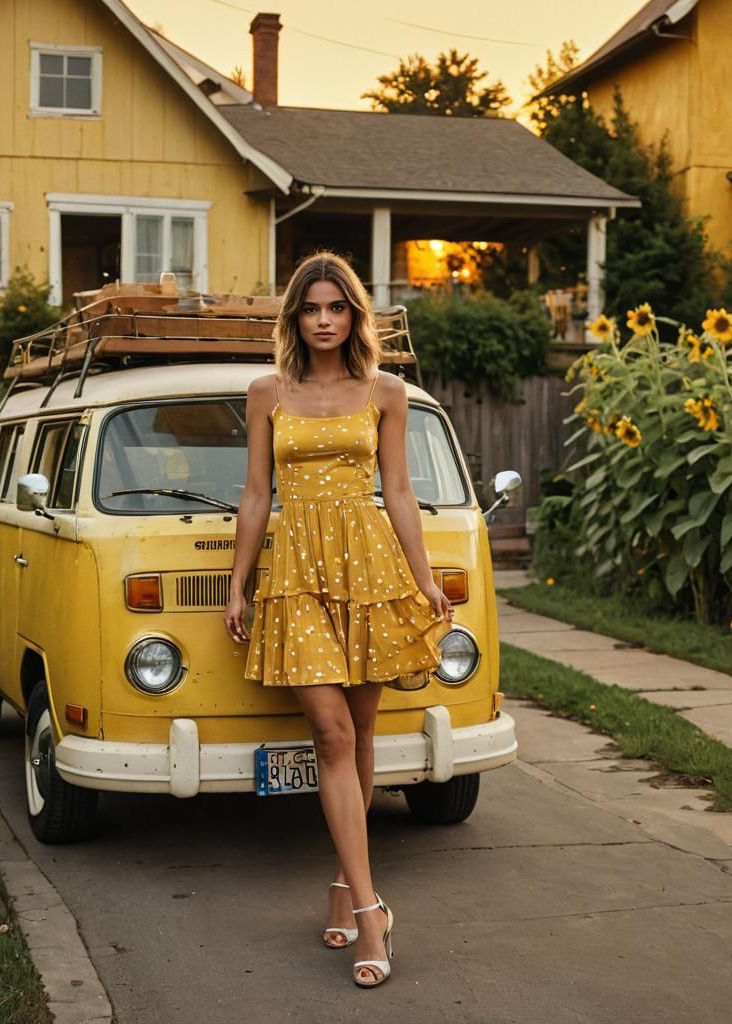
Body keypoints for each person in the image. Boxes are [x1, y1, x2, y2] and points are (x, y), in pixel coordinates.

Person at [223, 251, 452, 988]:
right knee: (331, 733)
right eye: (311, 309)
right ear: (295, 318)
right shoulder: (267, 392)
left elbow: (400, 491)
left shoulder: (386, 391)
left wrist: (424, 580)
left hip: (369, 569)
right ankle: (370, 912)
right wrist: (238, 584)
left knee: (361, 734)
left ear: (355, 315)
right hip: (295, 571)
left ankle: (341, 886)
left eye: (337, 308)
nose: (324, 320)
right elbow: (256, 493)